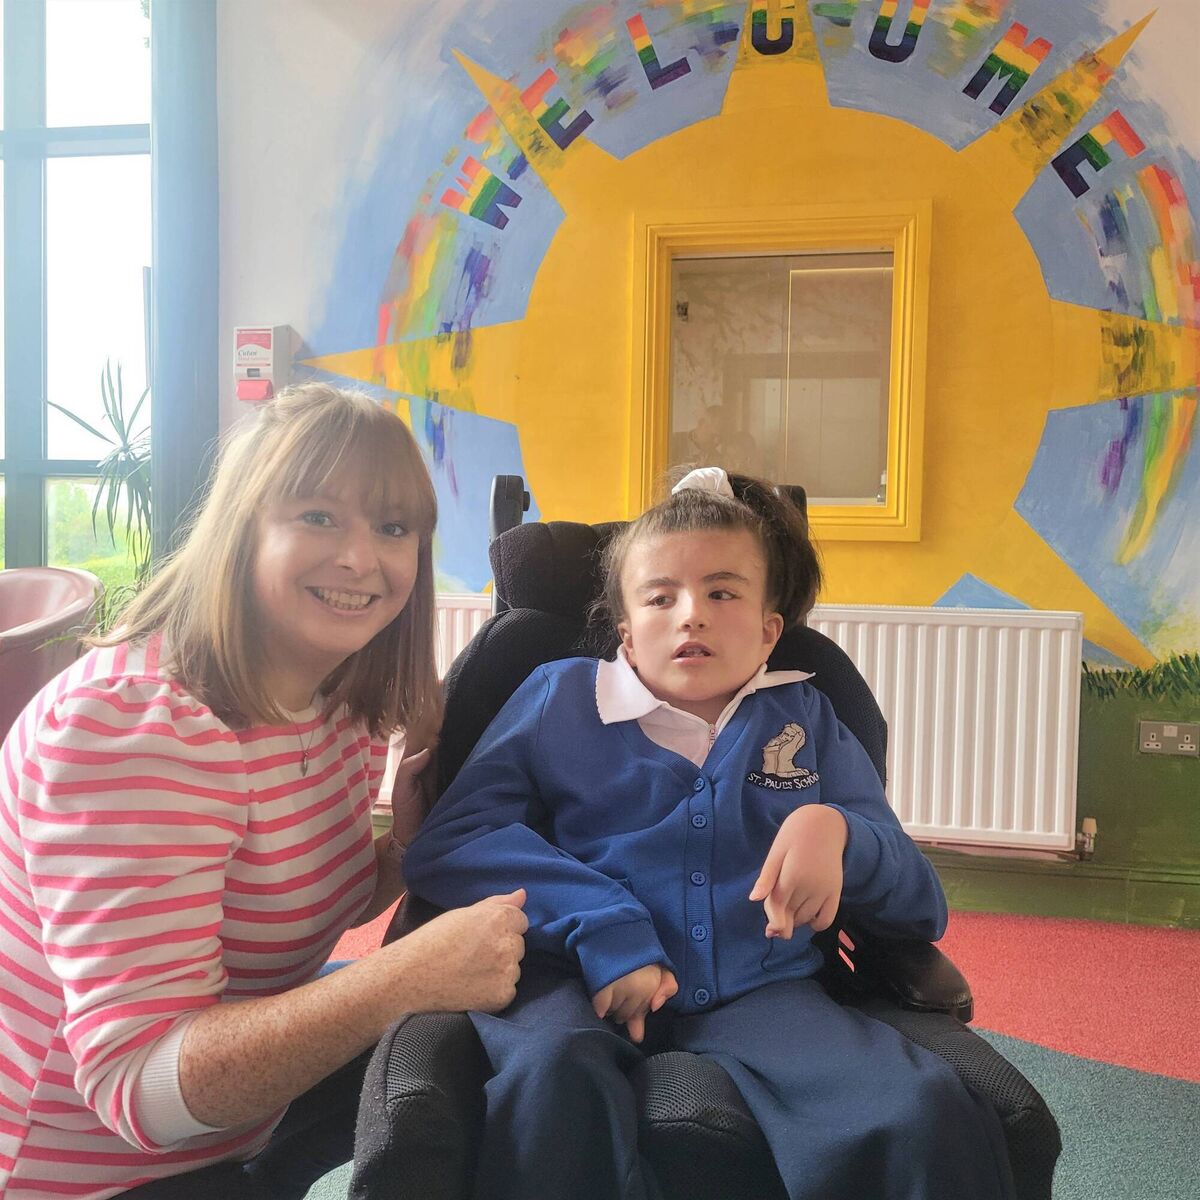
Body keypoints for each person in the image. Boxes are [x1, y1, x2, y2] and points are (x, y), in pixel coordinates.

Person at [403, 466, 1014, 1200]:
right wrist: (603, 926)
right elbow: (457, 838)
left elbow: (922, 905)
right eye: (661, 597)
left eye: (722, 592)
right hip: (573, 982)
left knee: (919, 1113)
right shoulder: (558, 697)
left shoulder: (807, 719)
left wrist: (840, 836)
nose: (690, 614)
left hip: (765, 997)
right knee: (549, 1081)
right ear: (625, 632)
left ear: (768, 631)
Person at [0, 383, 527, 1200]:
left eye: (393, 528)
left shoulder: (333, 702)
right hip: (79, 1173)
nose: (362, 558)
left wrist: (403, 853)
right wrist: (404, 978)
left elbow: (280, 912)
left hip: (237, 1136)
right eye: (318, 516)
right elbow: (140, 1087)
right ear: (241, 528)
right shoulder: (135, 727)